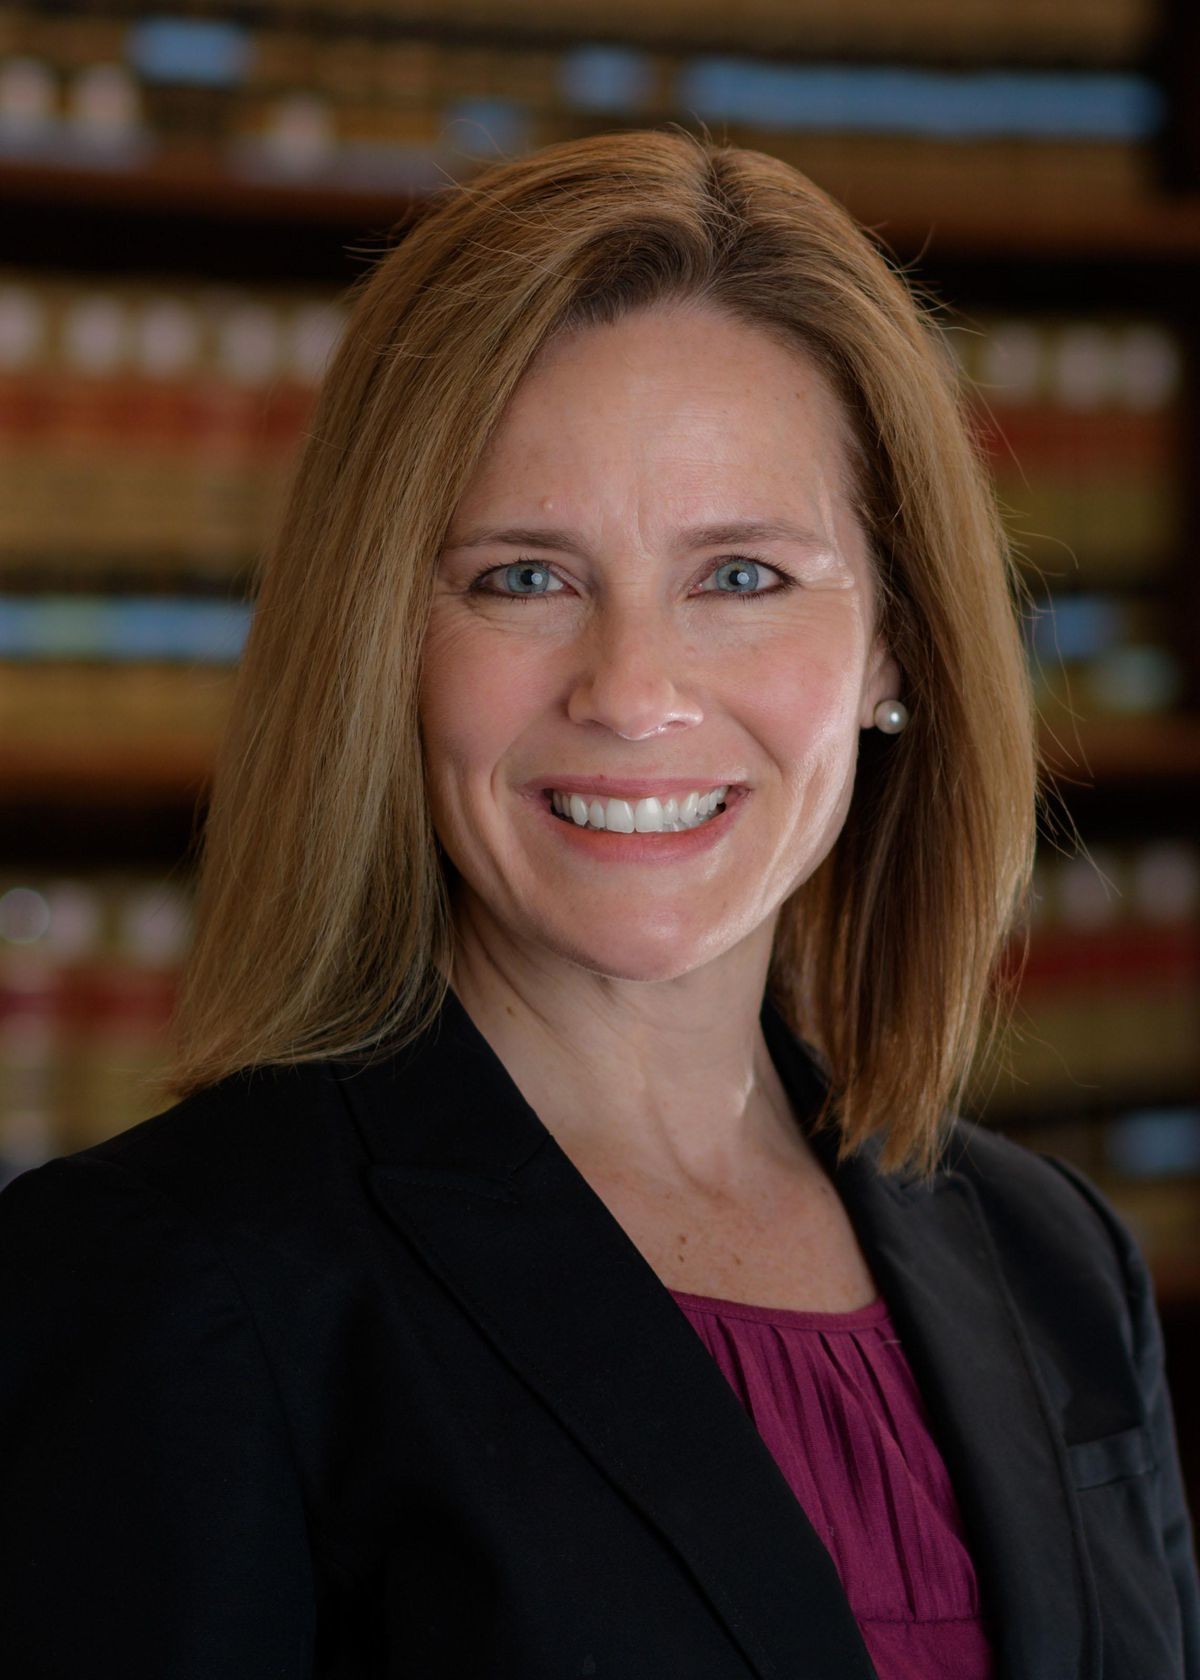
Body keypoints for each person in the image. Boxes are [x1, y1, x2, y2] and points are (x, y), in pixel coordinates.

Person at [1, 128, 1197, 1680]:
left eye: (742, 576)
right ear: (384, 644)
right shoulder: (167, 1283)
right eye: (523, 577)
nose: (632, 692)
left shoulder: (1060, 1268)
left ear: (894, 647)